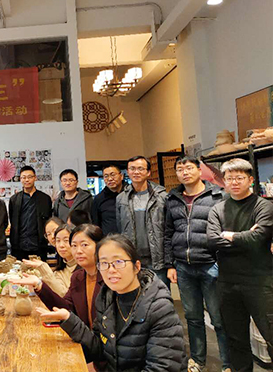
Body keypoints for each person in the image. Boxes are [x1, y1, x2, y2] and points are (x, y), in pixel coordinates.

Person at [37, 235, 186, 372]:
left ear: (137, 266)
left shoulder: (159, 307)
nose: (111, 270)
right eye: (104, 263)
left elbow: (162, 367)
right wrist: (69, 319)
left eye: (118, 262)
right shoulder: (106, 298)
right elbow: (99, 349)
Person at [165, 156, 230, 372]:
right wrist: (170, 264)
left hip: (211, 264)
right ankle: (198, 360)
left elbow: (225, 230)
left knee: (219, 318)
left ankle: (228, 364)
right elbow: (168, 233)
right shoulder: (172, 199)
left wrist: (222, 261)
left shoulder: (217, 196)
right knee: (193, 318)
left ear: (199, 171)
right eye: (180, 169)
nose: (184, 172)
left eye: (189, 168)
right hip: (183, 266)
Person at [207, 158, 273, 372]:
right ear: (224, 181)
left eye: (239, 178)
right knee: (236, 340)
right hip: (228, 283)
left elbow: (258, 239)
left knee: (271, 335)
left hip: (260, 282)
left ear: (250, 180)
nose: (234, 182)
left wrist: (230, 236)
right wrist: (245, 237)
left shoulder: (264, 206)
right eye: (229, 178)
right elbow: (212, 241)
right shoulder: (218, 209)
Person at [13, 224, 104, 329]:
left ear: (100, 246)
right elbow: (66, 308)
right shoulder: (78, 277)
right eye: (74, 245)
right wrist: (39, 285)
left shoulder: (108, 277)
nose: (78, 251)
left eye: (84, 245)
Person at [116, 155, 169, 286]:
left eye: (140, 168)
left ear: (148, 172)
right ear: (127, 172)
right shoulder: (121, 198)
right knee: (136, 294)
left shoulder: (161, 196)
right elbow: (120, 228)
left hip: (157, 258)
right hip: (133, 258)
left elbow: (168, 229)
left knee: (160, 295)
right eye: (132, 168)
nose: (136, 172)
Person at [9, 165, 53, 261]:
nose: (26, 180)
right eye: (23, 177)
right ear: (20, 179)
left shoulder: (45, 198)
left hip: (39, 245)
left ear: (35, 178)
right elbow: (12, 220)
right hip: (19, 246)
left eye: (29, 177)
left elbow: (48, 220)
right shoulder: (14, 199)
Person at [22, 221, 77, 297]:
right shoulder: (60, 271)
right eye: (58, 241)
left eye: (66, 240)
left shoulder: (84, 269)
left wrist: (46, 271)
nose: (61, 245)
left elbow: (66, 297)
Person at [91, 164, 124, 235]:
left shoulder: (130, 194)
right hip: (109, 239)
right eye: (106, 176)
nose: (110, 179)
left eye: (113, 175)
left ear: (121, 176)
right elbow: (96, 224)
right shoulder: (98, 199)